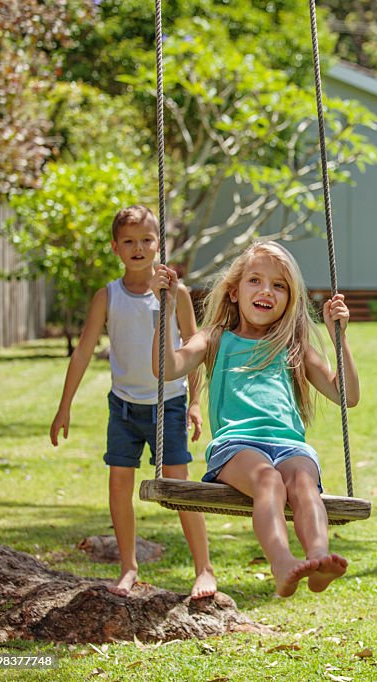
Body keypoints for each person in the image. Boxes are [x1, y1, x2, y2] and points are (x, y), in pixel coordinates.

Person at [150, 241, 358, 597]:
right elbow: (166, 368)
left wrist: (340, 337)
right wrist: (165, 310)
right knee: (269, 482)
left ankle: (319, 559)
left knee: (305, 486)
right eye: (255, 281)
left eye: (279, 286)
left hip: (290, 446)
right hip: (236, 447)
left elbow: (347, 396)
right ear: (233, 291)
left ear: (290, 299)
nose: (267, 291)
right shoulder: (215, 338)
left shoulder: (292, 343)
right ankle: (281, 564)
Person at [50, 205, 216, 599]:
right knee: (119, 484)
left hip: (168, 405)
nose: (138, 248)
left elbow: (194, 347)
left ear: (159, 245)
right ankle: (128, 566)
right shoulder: (107, 297)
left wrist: (194, 402)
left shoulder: (175, 293)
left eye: (146, 240)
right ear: (115, 247)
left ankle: (204, 568)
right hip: (123, 407)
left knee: (179, 487)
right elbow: (83, 352)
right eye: (129, 241)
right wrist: (65, 405)